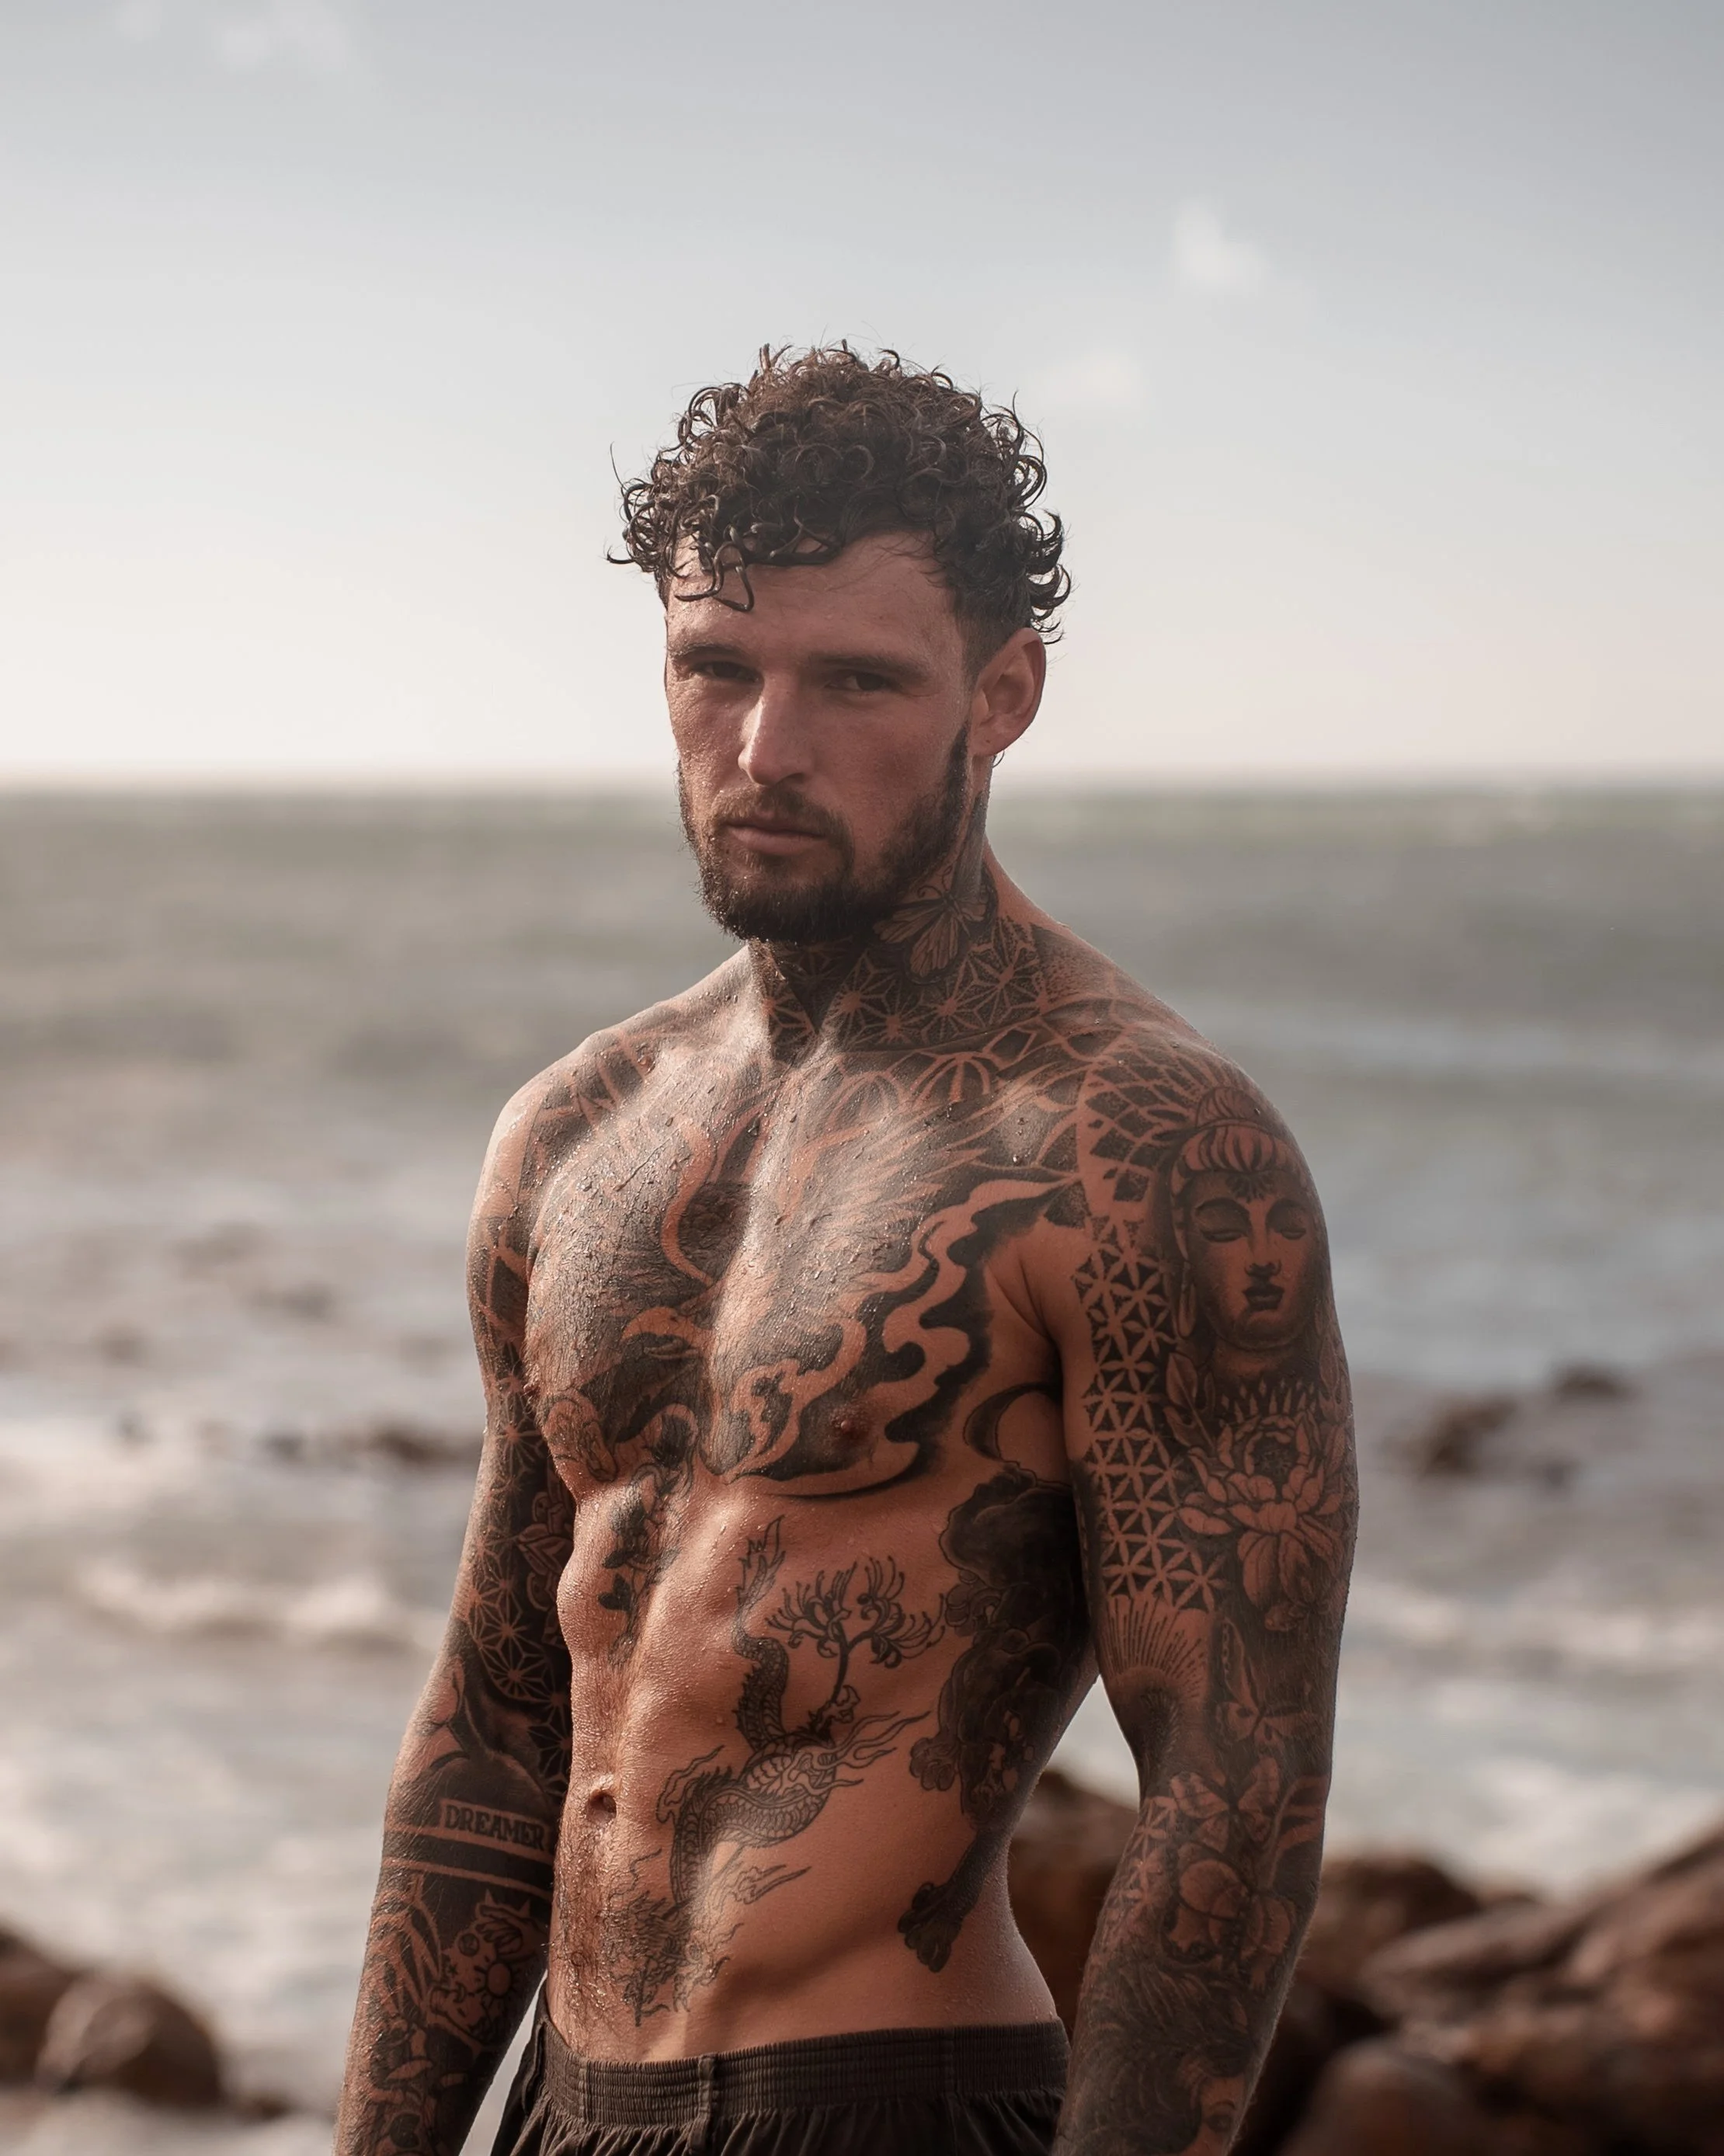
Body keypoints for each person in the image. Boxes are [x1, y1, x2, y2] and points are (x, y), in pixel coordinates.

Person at [335, 346, 1357, 2156]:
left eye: (858, 681)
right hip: (562, 2106)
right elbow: (499, 1723)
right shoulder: (577, 1134)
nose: (767, 749)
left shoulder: (1134, 1144)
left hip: (881, 2101)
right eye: (717, 668)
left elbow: (1233, 1786)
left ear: (1002, 694)